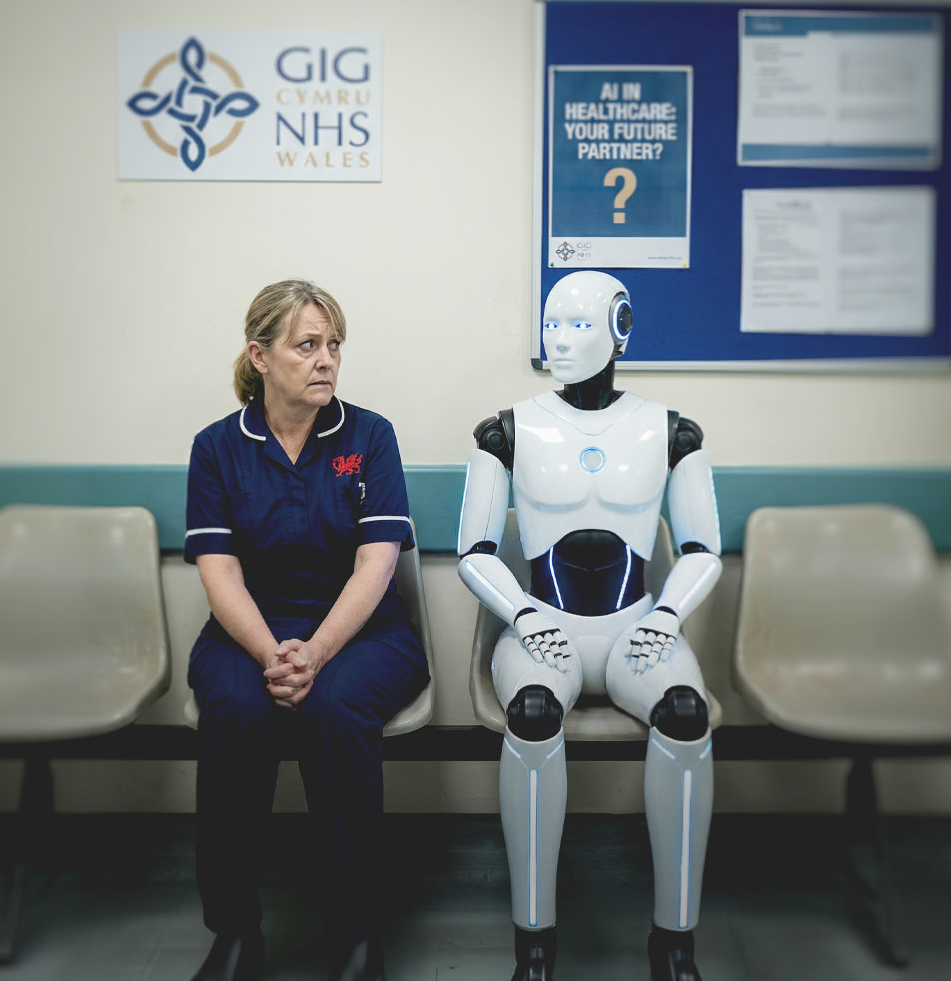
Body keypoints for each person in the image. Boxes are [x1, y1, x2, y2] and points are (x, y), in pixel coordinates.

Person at [457, 270, 722, 981]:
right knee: (534, 715)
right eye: (552, 323)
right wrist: (518, 612)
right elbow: (474, 552)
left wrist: (668, 613)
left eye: (578, 324)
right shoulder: (504, 429)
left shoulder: (673, 431)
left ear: (620, 327)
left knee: (688, 716)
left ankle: (675, 943)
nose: (559, 339)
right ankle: (534, 945)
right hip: (545, 628)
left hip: (638, 625)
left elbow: (702, 550)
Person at [184, 279, 429, 981]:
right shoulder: (218, 448)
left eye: (334, 345)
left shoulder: (369, 436)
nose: (326, 360)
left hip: (365, 632)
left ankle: (356, 936)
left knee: (333, 707)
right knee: (234, 710)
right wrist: (271, 652)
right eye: (308, 345)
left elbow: (377, 564)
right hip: (248, 630)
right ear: (260, 356)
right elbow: (221, 574)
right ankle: (234, 933)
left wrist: (316, 652)